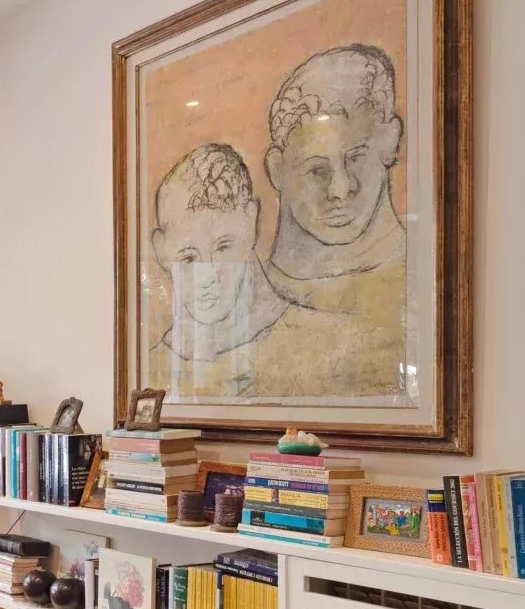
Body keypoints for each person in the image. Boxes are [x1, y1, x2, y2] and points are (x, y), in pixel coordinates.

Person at [148, 142, 347, 399]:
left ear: (251, 223)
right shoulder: (155, 364)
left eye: (223, 248)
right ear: (161, 249)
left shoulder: (320, 341)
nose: (208, 276)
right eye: (188, 258)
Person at [262, 44, 407, 395]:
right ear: (277, 170)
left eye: (356, 157)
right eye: (317, 170)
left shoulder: (420, 285)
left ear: (390, 141)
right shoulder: (247, 302)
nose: (341, 189)